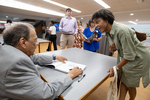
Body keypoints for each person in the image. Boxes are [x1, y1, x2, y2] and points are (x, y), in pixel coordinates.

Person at [0, 22, 83, 100]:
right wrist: (70, 75)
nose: (37, 43)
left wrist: (55, 57)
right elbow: (47, 93)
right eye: (35, 40)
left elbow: (33, 58)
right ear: (23, 42)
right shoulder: (17, 63)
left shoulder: (8, 50)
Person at [92, 8, 150, 100]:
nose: (95, 26)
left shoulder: (121, 30)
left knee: (130, 84)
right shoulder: (108, 32)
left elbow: (130, 55)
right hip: (127, 55)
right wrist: (114, 49)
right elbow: (120, 47)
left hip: (138, 57)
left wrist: (116, 67)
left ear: (106, 20)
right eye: (94, 23)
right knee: (123, 80)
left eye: (97, 22)